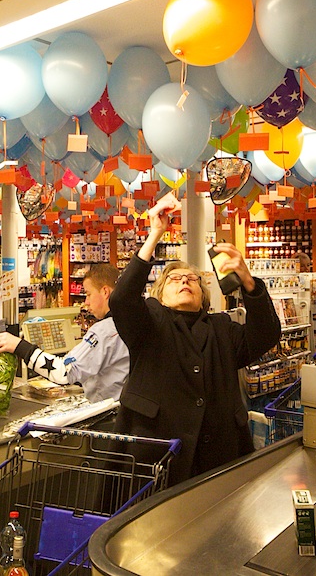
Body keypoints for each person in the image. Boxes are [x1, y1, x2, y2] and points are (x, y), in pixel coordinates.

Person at [107, 202, 281, 486]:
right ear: (160, 295)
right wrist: (155, 234)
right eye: (174, 279)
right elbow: (122, 299)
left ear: (203, 296)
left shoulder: (222, 328)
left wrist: (248, 282)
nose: (185, 282)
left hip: (219, 457)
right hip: (158, 459)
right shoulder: (149, 323)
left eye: (192, 280)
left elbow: (266, 334)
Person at [0, 263, 127, 402]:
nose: (86, 302)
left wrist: (19, 346)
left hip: (106, 408)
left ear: (105, 292)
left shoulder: (103, 331)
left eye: (88, 294)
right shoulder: (129, 323)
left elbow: (64, 372)